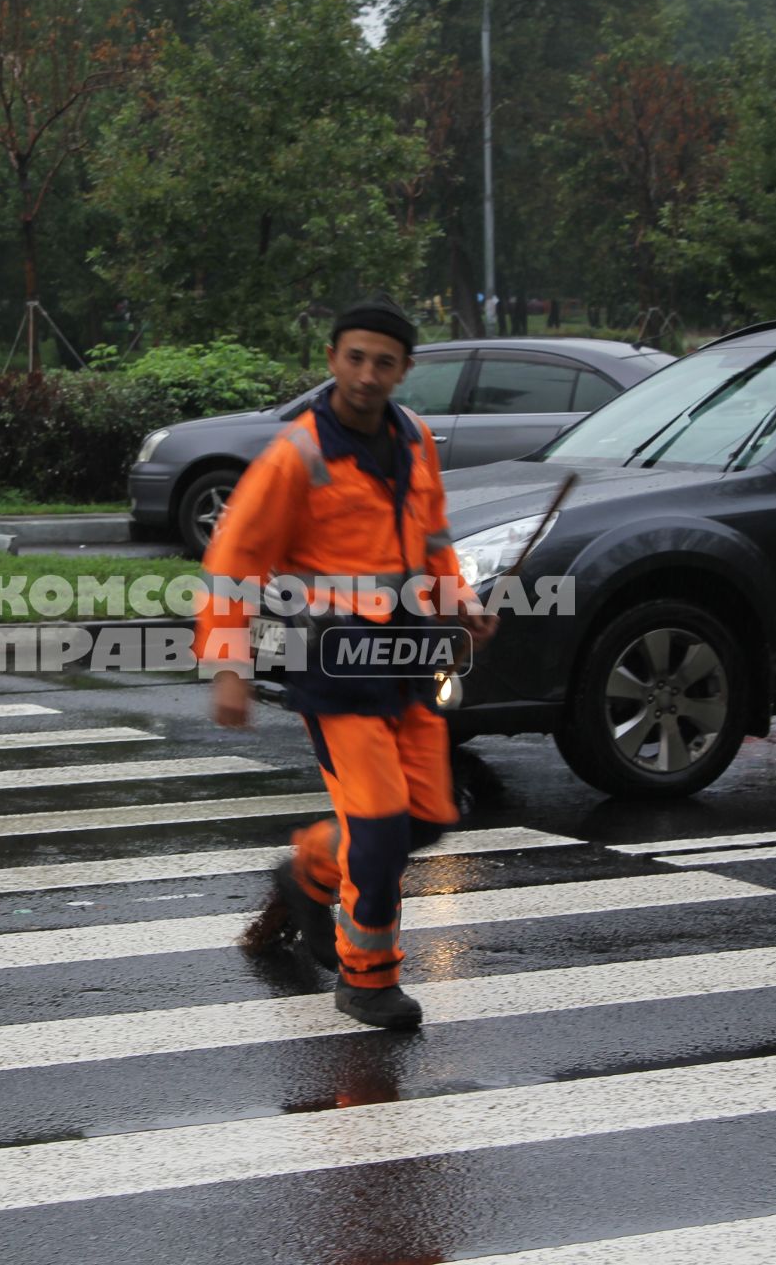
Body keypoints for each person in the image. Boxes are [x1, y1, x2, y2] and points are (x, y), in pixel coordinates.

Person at [198, 295, 496, 1029]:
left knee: (428, 817)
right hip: (333, 669)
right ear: (332, 360)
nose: (367, 374)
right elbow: (233, 559)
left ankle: (307, 870)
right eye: (354, 358)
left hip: (406, 655)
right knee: (382, 827)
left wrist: (460, 602)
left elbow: (430, 539)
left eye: (383, 361)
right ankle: (368, 980)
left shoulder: (415, 439)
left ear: (404, 370)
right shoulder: (297, 453)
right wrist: (229, 667)